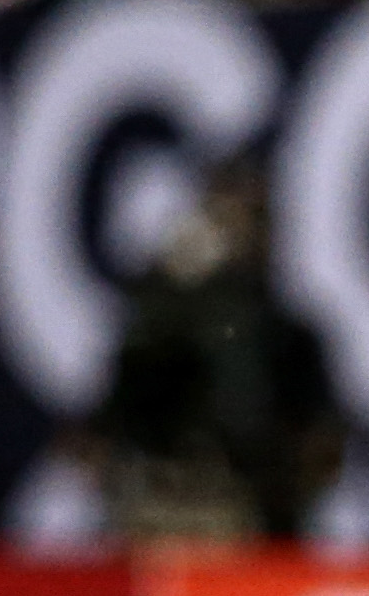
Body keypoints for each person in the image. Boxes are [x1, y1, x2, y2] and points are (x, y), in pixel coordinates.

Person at [92, 156, 342, 546]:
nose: (244, 231)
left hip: (242, 516)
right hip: (157, 506)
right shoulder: (162, 312)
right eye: (228, 216)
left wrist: (280, 491)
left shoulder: (288, 336)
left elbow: (323, 448)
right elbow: (106, 427)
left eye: (255, 217)